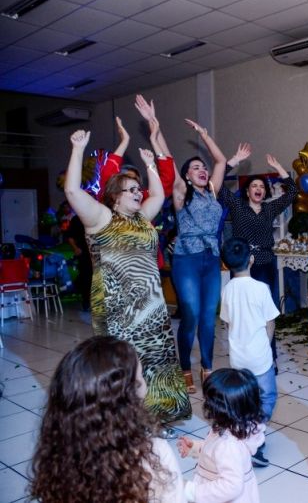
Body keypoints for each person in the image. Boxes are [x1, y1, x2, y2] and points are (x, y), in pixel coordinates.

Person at [64, 128, 190, 423]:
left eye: (138, 189)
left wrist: (149, 166)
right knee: (122, 364)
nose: (138, 193)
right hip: (117, 307)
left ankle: (161, 416)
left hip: (151, 305)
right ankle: (124, 421)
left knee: (157, 361)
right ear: (114, 197)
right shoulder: (100, 218)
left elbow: (159, 193)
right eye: (131, 190)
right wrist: (77, 149)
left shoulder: (142, 218)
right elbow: (71, 191)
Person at [30, 336, 185, 503]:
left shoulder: (58, 458)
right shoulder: (156, 454)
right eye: (141, 380)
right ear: (129, 400)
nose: (146, 388)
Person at [220, 150, 298, 369]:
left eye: (262, 187)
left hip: (265, 261)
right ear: (247, 190)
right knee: (242, 313)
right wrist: (233, 161)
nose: (259, 189)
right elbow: (217, 186)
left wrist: (279, 169)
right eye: (254, 186)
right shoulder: (237, 207)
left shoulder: (270, 208)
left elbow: (292, 191)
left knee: (266, 313)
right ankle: (243, 356)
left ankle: (268, 357)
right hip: (243, 265)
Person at [171, 118, 228, 394]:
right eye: (195, 168)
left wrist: (205, 134)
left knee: (208, 316)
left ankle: (207, 367)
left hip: (211, 259)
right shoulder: (182, 194)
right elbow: (168, 164)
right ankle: (184, 367)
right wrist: (156, 131)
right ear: (186, 176)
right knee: (191, 314)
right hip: (187, 259)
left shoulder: (213, 193)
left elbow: (220, 161)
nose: (202, 170)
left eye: (202, 167)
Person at [220, 238, 280, 469]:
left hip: (238, 359)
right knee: (266, 397)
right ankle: (254, 434)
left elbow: (226, 324)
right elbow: (270, 323)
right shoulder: (261, 289)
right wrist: (265, 344)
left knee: (245, 399)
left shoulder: (227, 291)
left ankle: (244, 429)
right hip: (260, 358)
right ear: (252, 260)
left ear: (226, 265)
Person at [178, 369, 266, 503]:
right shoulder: (237, 427)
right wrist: (195, 448)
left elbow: (231, 486)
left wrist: (191, 491)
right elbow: (218, 455)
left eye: (208, 400)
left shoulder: (228, 444)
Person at [64, 212, 91, 312]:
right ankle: (86, 302)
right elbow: (70, 236)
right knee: (86, 276)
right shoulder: (77, 219)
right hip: (84, 252)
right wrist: (75, 248)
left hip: (96, 251)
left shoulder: (96, 215)